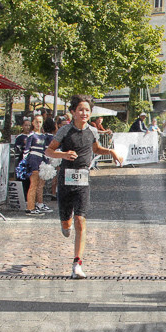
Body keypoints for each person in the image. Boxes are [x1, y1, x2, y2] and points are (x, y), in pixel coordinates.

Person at [45, 96, 124, 279]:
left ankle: (77, 264)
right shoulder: (65, 131)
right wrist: (63, 154)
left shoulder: (92, 131)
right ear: (73, 112)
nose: (84, 113)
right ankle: (65, 222)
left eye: (87, 110)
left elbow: (95, 149)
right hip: (65, 181)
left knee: (81, 220)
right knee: (67, 225)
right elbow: (49, 151)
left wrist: (111, 151)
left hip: (83, 182)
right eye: (80, 109)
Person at [23, 115, 53, 215]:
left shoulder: (44, 136)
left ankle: (38, 204)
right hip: (33, 160)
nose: (38, 124)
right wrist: (25, 162)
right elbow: (26, 150)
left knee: (40, 185)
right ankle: (30, 207)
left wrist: (47, 161)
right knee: (33, 184)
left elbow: (45, 149)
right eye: (36, 122)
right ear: (33, 123)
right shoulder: (31, 136)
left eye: (40, 122)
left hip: (41, 160)